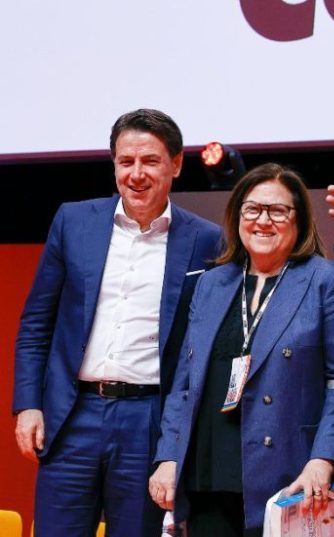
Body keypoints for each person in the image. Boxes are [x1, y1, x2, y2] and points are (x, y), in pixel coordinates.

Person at [12, 109, 221, 536]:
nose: (136, 174)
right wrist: (28, 404)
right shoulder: (74, 221)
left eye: (150, 161)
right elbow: (36, 323)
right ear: (114, 165)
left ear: (176, 164)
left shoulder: (205, 238)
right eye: (126, 162)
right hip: (72, 416)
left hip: (147, 421)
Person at [149, 163, 334, 536]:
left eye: (278, 211)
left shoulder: (325, 280)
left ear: (299, 219)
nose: (263, 220)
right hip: (207, 473)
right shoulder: (212, 283)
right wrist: (169, 456)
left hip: (287, 475)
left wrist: (323, 457)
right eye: (252, 209)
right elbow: (185, 384)